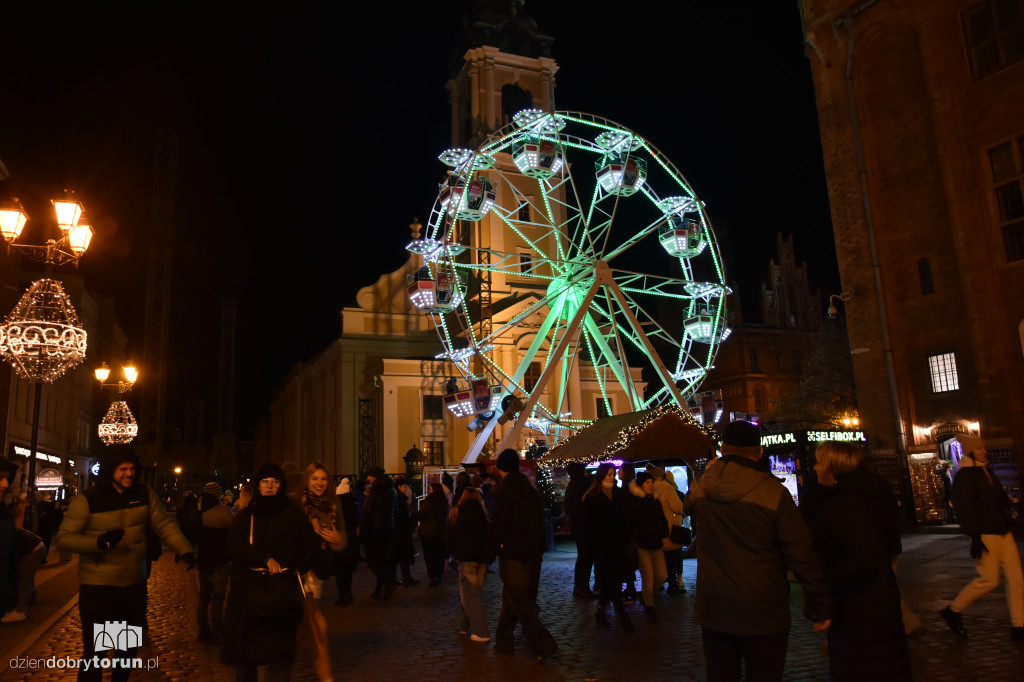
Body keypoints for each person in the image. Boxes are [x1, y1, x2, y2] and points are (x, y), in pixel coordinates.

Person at [684, 421, 832, 682]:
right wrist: (820, 604)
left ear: (722, 449)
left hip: (715, 605)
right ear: (759, 452)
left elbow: (687, 509)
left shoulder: (701, 490)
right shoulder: (774, 493)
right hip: (763, 608)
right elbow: (800, 552)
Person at [56, 445, 194, 681]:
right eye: (123, 469)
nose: (129, 474)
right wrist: (98, 542)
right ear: (111, 470)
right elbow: (64, 538)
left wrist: (185, 550)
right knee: (96, 652)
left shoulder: (143, 493)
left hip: (132, 588)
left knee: (125, 650)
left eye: (132, 469)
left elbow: (164, 525)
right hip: (99, 589)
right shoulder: (89, 499)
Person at [808, 441, 911, 681]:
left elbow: (860, 557)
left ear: (832, 467)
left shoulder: (845, 504)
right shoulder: (860, 495)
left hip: (860, 610)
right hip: (873, 606)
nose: (815, 468)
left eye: (819, 462)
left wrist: (826, 583)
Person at [221, 462, 321, 682]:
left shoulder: (293, 515)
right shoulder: (246, 516)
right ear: (258, 485)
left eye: (275, 482)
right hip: (246, 595)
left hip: (279, 596)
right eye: (265, 482)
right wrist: (262, 559)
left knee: (279, 659)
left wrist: (294, 569)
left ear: (281, 485)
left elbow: (310, 545)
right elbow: (233, 546)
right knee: (245, 659)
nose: (269, 486)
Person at [941, 435, 1024, 641]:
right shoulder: (967, 475)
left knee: (1017, 579)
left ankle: (1019, 625)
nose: (983, 450)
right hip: (986, 533)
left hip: (1002, 531)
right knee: (989, 580)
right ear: (970, 451)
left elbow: (999, 498)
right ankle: (953, 610)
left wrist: (1011, 509)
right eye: (979, 448)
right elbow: (964, 508)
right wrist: (975, 536)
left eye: (983, 447)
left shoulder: (986, 470)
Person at [485, 449, 557, 660]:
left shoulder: (507, 490)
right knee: (513, 597)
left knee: (519, 600)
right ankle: (504, 640)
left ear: (500, 468)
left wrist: (488, 552)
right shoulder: (528, 487)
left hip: (515, 552)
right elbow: (539, 520)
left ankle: (543, 644)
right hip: (532, 552)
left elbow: (499, 524)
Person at [296, 462, 345, 682]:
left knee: (300, 628)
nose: (319, 483)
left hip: (316, 571)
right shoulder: (296, 503)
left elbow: (341, 539)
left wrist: (337, 540)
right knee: (319, 626)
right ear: (306, 480)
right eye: (315, 478)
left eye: (323, 479)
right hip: (298, 571)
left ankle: (277, 665)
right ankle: (327, 679)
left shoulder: (332, 505)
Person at [584, 463, 634, 633]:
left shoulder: (619, 494)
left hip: (618, 544)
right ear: (602, 476)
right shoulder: (593, 496)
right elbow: (590, 525)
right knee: (611, 582)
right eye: (609, 474)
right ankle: (623, 616)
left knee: (610, 581)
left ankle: (600, 611)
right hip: (602, 545)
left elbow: (625, 518)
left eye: (613, 474)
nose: (612, 477)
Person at [447, 486, 490, 641]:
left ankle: (482, 632)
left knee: (471, 597)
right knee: (472, 593)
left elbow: (450, 537)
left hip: (466, 559)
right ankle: (463, 626)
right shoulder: (484, 516)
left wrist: (453, 554)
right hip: (482, 561)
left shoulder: (457, 514)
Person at [625, 471, 668, 622]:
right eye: (647, 483)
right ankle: (649, 606)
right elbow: (630, 523)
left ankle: (646, 595)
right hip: (642, 543)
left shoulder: (655, 500)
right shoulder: (634, 501)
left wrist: (663, 530)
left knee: (662, 575)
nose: (650, 485)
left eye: (651, 482)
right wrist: (640, 534)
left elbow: (662, 519)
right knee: (648, 575)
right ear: (641, 485)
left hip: (656, 542)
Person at [194, 481, 234, 643]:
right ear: (218, 494)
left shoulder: (197, 509)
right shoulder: (222, 511)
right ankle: (217, 628)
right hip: (219, 560)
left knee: (203, 596)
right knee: (218, 597)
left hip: (202, 559)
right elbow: (233, 530)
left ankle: (203, 628)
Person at [361, 466, 397, 600]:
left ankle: (388, 582)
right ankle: (380, 589)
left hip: (375, 530)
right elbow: (395, 511)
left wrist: (363, 533)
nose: (367, 478)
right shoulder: (392, 490)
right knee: (383, 560)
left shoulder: (375, 491)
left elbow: (367, 512)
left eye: (369, 475)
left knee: (371, 559)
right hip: (389, 528)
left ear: (374, 477)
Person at [563, 462, 594, 598]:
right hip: (584, 526)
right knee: (586, 557)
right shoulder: (580, 486)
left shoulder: (572, 485)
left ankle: (579, 586)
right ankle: (583, 586)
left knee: (582, 557)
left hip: (579, 526)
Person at [332, 478, 360, 606]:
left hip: (340, 541)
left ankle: (342, 596)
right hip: (351, 540)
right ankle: (348, 594)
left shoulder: (336, 508)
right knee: (348, 571)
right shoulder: (353, 505)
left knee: (340, 572)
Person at [417, 482, 449, 586]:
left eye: (430, 489)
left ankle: (433, 576)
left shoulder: (429, 501)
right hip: (441, 532)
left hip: (429, 533)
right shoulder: (444, 501)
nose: (429, 491)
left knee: (430, 556)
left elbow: (421, 514)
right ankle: (438, 576)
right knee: (439, 556)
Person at [0, 458, 19, 621]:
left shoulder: (5, 516)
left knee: (115, 640)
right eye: (0, 478)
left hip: (114, 586)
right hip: (100, 584)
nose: (5, 485)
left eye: (7, 479)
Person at [393, 478, 420, 586]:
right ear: (399, 487)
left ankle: (406, 578)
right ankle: (403, 579)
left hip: (401, 531)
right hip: (400, 532)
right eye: (404, 486)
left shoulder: (400, 498)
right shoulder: (399, 499)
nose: (407, 488)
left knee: (402, 558)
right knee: (400, 557)